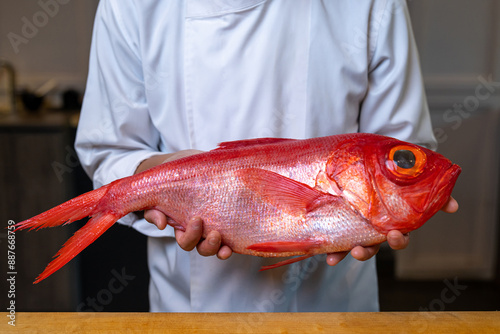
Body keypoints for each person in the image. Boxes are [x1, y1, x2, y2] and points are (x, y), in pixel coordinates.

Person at [75, 0, 458, 312]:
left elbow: (400, 146)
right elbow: (109, 150)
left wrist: (392, 206)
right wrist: (161, 178)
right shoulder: (128, 6)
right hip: (196, 306)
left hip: (333, 304)